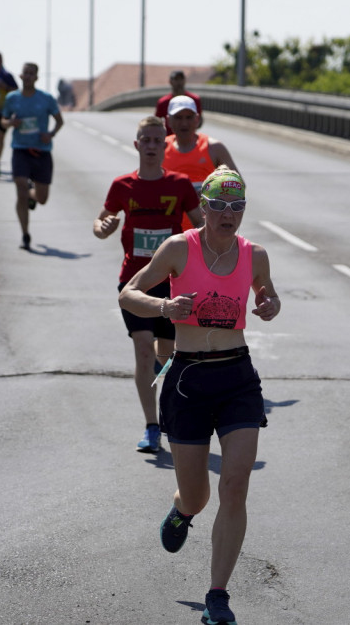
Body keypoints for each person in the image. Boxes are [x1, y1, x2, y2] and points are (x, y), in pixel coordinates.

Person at [118, 166, 280, 625]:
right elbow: (129, 294)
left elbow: (269, 298)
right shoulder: (177, 249)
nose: (228, 214)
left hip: (237, 378)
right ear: (204, 206)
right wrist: (165, 307)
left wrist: (269, 305)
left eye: (237, 205)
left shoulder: (256, 255)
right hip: (188, 379)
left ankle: (217, 596)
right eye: (220, 205)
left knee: (235, 485)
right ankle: (181, 510)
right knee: (199, 495)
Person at [94, 116, 203, 453]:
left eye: (159, 140)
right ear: (137, 144)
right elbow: (101, 220)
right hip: (135, 282)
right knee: (144, 351)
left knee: (165, 356)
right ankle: (152, 427)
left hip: (172, 283)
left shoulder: (180, 184)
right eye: (147, 140)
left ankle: (167, 407)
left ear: (164, 145)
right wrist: (104, 227)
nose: (153, 146)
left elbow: (201, 226)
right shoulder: (122, 185)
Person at [0, 62, 64, 250]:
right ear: (20, 76)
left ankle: (31, 194)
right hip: (20, 149)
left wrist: (50, 134)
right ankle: (25, 234)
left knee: (42, 199)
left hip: (42, 152)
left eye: (31, 74)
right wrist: (11, 122)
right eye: (25, 73)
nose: (27, 76)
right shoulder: (12, 98)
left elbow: (60, 121)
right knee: (20, 187)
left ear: (36, 77)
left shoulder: (46, 98)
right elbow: (2, 121)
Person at [164, 95, 237, 230]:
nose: (184, 123)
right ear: (168, 121)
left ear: (197, 119)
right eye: (178, 118)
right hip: (169, 232)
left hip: (205, 233)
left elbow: (237, 187)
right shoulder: (160, 148)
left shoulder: (214, 148)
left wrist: (209, 193)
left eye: (189, 117)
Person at [155, 69, 202, 135]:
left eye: (181, 79)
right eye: (176, 79)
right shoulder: (163, 102)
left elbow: (199, 122)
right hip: (168, 140)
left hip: (189, 141)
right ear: (170, 81)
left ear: (185, 81)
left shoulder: (194, 100)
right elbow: (156, 124)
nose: (179, 82)